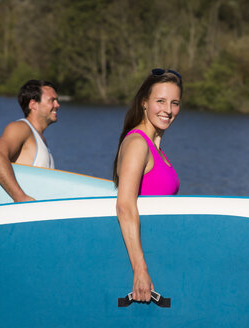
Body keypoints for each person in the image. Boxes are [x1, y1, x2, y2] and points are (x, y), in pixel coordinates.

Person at [113, 68, 182, 302]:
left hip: (159, 256)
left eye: (174, 103)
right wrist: (139, 270)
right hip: (143, 265)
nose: (168, 110)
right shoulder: (137, 143)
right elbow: (125, 206)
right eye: (160, 101)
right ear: (144, 103)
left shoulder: (155, 146)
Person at [0, 79, 60, 202]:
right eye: (52, 100)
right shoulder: (21, 128)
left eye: (57, 100)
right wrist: (20, 197)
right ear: (33, 105)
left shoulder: (41, 139)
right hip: (21, 214)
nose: (57, 105)